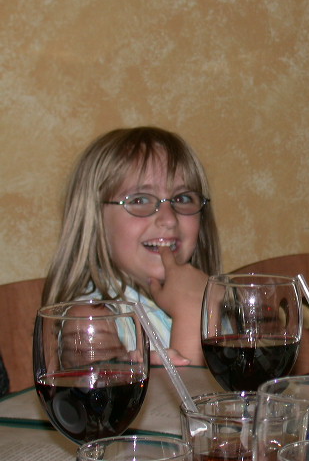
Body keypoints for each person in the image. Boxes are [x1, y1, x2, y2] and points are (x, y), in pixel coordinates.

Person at [42, 126, 221, 365]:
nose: (169, 219)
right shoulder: (89, 322)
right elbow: (191, 390)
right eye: (140, 200)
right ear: (94, 220)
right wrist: (194, 310)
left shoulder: (215, 297)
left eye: (183, 198)